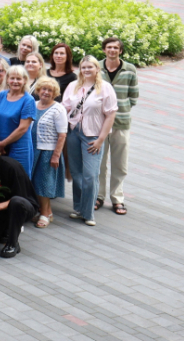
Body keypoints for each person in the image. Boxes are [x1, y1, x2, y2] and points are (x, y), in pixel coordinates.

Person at [62, 55, 118, 226]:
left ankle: (88, 213)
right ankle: (78, 208)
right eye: (83, 67)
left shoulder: (105, 88)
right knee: (77, 173)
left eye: (90, 67)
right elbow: (64, 108)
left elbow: (110, 115)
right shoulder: (73, 86)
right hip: (74, 132)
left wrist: (101, 139)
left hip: (93, 135)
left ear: (97, 69)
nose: (86, 70)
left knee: (90, 175)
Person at [98, 37, 139, 216]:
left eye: (116, 48)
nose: (112, 50)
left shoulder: (130, 69)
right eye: (109, 47)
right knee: (99, 162)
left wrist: (122, 108)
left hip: (121, 123)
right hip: (99, 123)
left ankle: (117, 198)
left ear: (120, 51)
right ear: (104, 50)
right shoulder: (97, 68)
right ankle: (98, 196)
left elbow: (134, 96)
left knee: (120, 163)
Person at [30, 77, 67, 227]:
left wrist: (56, 155)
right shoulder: (33, 104)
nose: (46, 92)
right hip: (32, 149)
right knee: (34, 182)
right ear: (38, 90)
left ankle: (45, 214)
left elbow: (62, 134)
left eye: (50, 90)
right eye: (43, 89)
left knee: (43, 183)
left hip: (48, 152)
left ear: (54, 93)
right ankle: (47, 211)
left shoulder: (58, 109)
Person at [0, 65, 38, 177]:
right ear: (7, 79)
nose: (15, 81)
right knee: (0, 179)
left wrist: (3, 143)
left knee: (19, 179)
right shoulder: (2, 95)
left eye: (18, 79)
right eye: (12, 78)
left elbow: (23, 128)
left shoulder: (28, 100)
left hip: (19, 148)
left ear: (24, 81)